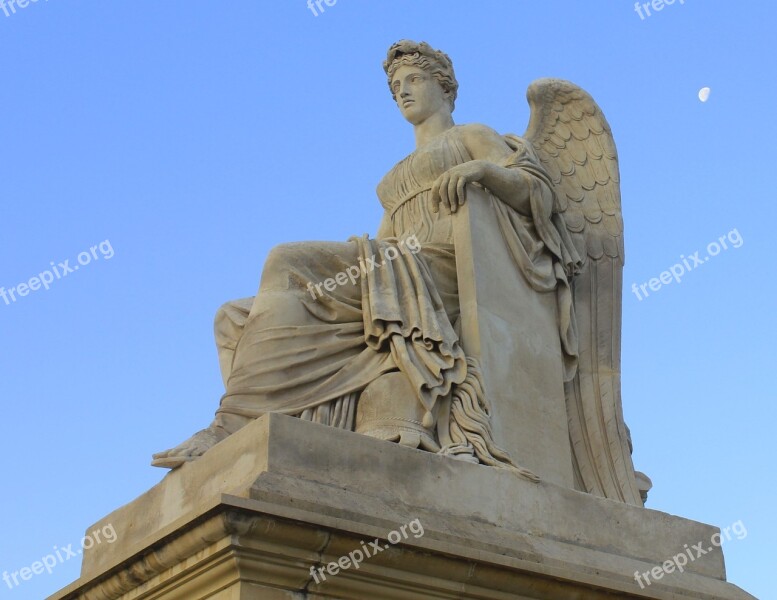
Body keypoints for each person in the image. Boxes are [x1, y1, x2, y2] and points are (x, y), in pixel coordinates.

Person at [152, 40, 577, 474]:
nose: (404, 92)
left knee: (285, 261)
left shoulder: (470, 136)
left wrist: (484, 169)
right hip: (396, 271)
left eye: (414, 80)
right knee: (233, 318)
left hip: (438, 270)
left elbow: (537, 193)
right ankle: (261, 425)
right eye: (396, 88)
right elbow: (385, 239)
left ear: (446, 89)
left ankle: (230, 424)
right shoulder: (395, 175)